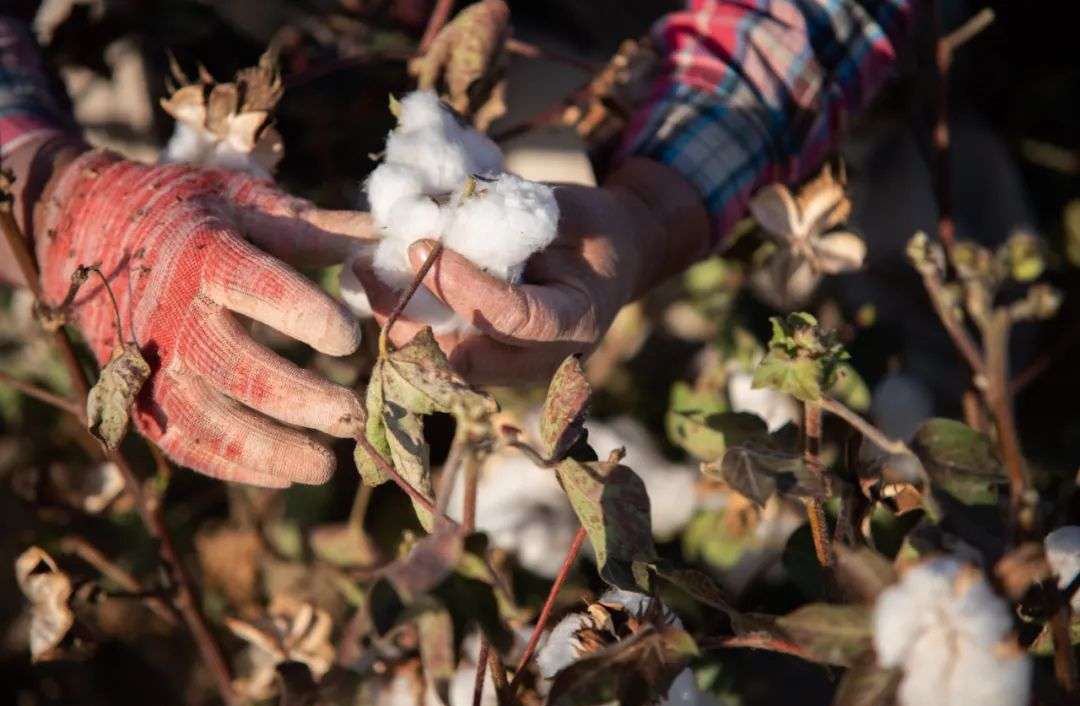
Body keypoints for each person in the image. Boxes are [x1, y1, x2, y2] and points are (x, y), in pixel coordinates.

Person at [0, 0, 916, 486]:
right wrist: (52, 189)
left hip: (612, 50)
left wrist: (651, 208)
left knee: (908, 211)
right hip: (226, 47)